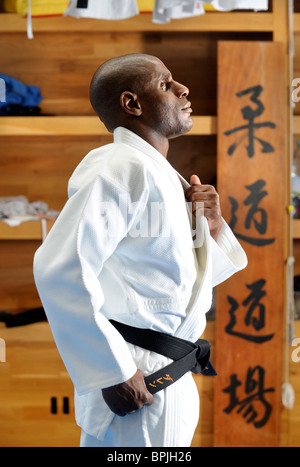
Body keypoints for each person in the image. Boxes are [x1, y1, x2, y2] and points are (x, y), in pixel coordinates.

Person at [33, 54, 247, 447]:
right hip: (137, 374)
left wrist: (209, 230)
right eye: (165, 84)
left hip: (168, 372)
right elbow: (58, 267)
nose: (183, 89)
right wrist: (110, 370)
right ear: (132, 104)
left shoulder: (158, 174)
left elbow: (172, 283)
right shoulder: (118, 166)